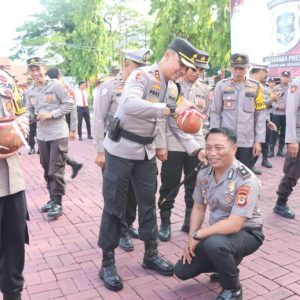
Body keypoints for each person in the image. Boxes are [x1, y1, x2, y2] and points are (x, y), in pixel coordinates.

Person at [98, 37, 206, 291]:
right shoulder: (142, 75)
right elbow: (130, 104)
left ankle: (150, 253)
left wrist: (196, 148)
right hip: (120, 150)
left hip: (145, 153)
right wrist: (170, 108)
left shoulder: (172, 87)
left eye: (187, 68)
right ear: (168, 55)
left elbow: (173, 124)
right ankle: (107, 261)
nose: (183, 71)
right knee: (114, 206)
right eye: (181, 65)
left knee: (148, 205)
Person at [174, 128, 264, 300]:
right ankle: (224, 266)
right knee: (182, 270)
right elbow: (199, 206)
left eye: (219, 148)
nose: (212, 153)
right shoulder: (205, 173)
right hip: (218, 232)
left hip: (247, 232)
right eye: (208, 148)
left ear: (234, 148)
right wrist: (191, 239)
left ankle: (233, 289)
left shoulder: (246, 179)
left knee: (215, 245)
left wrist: (198, 235)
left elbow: (234, 224)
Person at [94, 48, 152, 252]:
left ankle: (127, 226)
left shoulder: (146, 86)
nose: (142, 73)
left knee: (134, 194)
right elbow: (99, 118)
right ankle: (120, 230)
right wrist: (100, 150)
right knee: (117, 194)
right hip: (114, 148)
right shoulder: (108, 87)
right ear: (126, 66)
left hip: (137, 150)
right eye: (138, 68)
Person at [157, 49, 209, 242]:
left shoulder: (204, 89)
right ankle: (165, 223)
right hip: (173, 142)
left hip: (196, 143)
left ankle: (189, 220)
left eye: (201, 70)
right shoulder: (172, 86)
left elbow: (205, 118)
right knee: (170, 183)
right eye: (194, 68)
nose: (197, 72)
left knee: (194, 184)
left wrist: (206, 144)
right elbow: (162, 118)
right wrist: (161, 144)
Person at [25, 57, 75, 219]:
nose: (35, 73)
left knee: (56, 169)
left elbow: (69, 104)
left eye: (38, 69)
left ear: (44, 69)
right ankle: (52, 198)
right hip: (42, 134)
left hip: (58, 133)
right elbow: (28, 110)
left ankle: (58, 203)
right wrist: (31, 116)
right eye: (32, 70)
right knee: (47, 169)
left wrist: (51, 114)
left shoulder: (57, 85)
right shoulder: (30, 90)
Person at [210, 53, 266, 174]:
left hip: (247, 141)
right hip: (226, 141)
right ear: (231, 68)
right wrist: (214, 139)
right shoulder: (222, 86)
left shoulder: (256, 87)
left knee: (244, 175)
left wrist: (258, 141)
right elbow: (215, 113)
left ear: (247, 68)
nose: (238, 71)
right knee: (223, 173)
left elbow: (260, 116)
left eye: (242, 68)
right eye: (236, 68)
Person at [0, 69, 29, 300]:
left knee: (14, 243)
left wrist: (18, 131)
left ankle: (13, 294)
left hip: (12, 181)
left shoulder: (5, 78)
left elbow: (21, 113)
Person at [46, 67, 83, 179]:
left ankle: (57, 180)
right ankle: (73, 164)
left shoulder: (66, 89)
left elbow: (73, 111)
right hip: (50, 126)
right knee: (55, 152)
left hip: (62, 126)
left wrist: (73, 130)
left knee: (57, 153)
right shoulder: (46, 88)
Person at [273, 78, 300, 219]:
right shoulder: (297, 83)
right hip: (298, 138)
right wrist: (291, 140)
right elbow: (291, 111)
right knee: (292, 172)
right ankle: (280, 203)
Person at [249, 64, 277, 170]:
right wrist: (271, 100)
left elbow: (263, 106)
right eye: (265, 72)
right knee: (254, 144)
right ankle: (250, 165)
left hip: (265, 117)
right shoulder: (249, 86)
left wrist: (268, 120)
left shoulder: (266, 88)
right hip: (252, 121)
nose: (266, 74)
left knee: (265, 142)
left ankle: (264, 160)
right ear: (261, 72)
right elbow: (256, 106)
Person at [268, 71, 290, 158]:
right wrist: (277, 107)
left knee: (284, 132)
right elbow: (271, 100)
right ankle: (271, 151)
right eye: (284, 76)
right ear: (280, 77)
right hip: (277, 113)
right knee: (274, 131)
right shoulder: (276, 88)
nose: (285, 78)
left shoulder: (291, 88)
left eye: (287, 76)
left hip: (287, 114)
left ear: (289, 78)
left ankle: (280, 150)